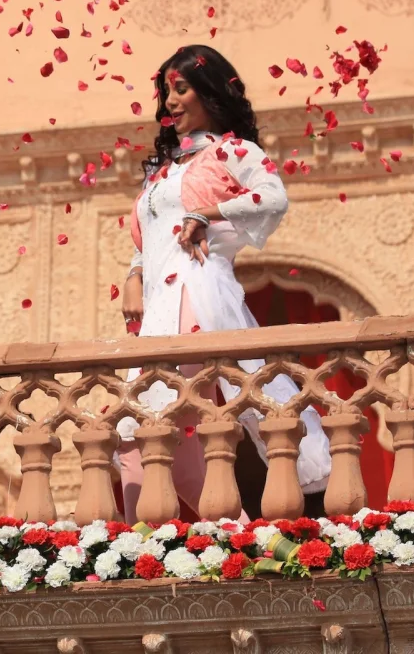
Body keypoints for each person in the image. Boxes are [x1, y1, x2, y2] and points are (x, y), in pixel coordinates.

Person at [115, 44, 331, 524]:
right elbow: (153, 239)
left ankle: (152, 546)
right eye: (166, 92)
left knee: (149, 433)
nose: (171, 101)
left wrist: (206, 212)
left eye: (181, 89)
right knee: (145, 443)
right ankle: (224, 540)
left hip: (195, 296)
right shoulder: (163, 169)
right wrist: (133, 276)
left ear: (210, 92)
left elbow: (273, 197)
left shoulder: (232, 151)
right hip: (157, 306)